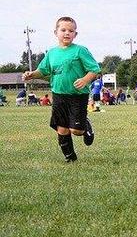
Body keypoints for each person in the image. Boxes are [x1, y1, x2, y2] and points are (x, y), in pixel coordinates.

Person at [22, 16, 100, 162]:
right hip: (58, 95)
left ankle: (85, 124)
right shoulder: (52, 53)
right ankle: (70, 158)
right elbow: (43, 71)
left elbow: (94, 69)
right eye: (63, 30)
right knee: (62, 128)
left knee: (76, 131)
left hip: (78, 95)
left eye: (71, 31)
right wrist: (32, 74)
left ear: (75, 34)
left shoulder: (80, 51)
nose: (67, 33)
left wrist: (85, 80)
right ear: (56, 32)